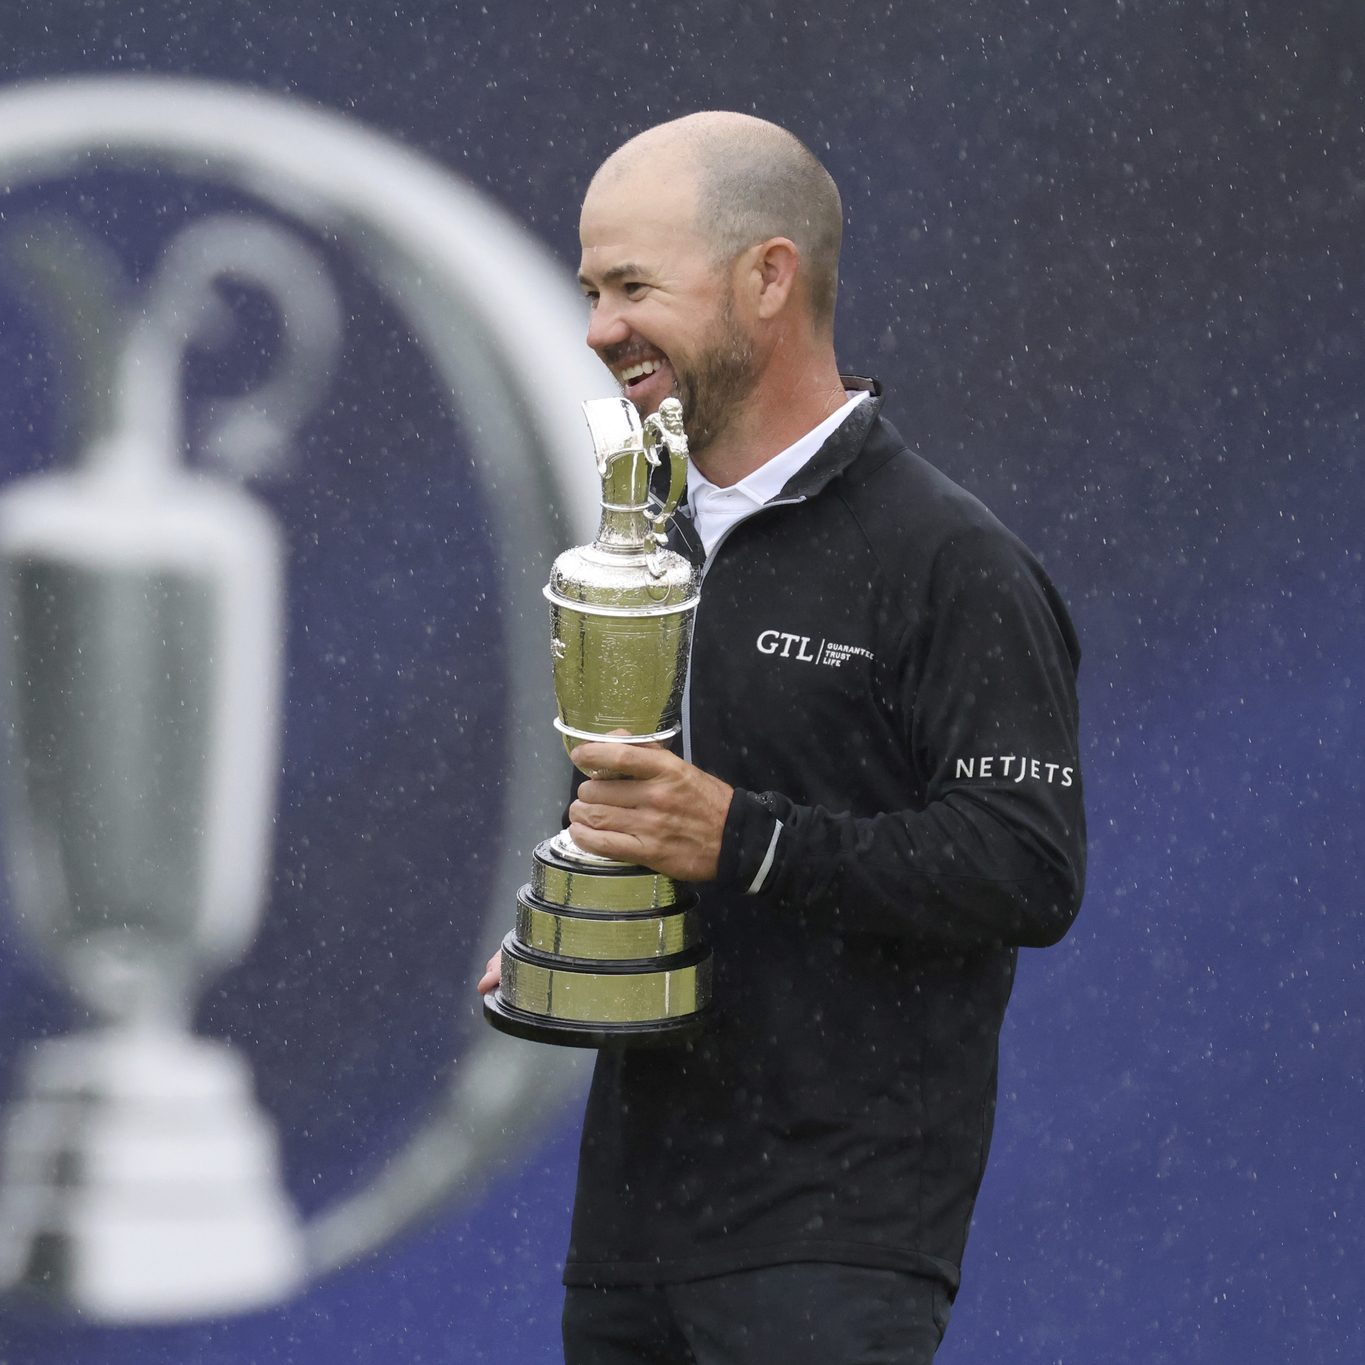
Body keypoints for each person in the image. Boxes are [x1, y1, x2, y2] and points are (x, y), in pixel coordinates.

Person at [477, 113, 1087, 1364]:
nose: (598, 329)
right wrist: (568, 931)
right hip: (632, 1228)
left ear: (767, 277)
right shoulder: (636, 550)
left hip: (836, 1234)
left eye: (633, 286)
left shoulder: (946, 560)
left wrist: (744, 842)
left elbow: (1025, 866)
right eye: (590, 289)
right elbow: (649, 825)